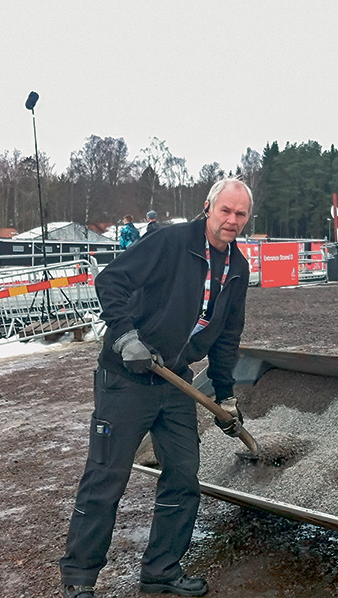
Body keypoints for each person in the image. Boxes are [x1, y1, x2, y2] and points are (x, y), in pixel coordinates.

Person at [60, 178, 252, 598]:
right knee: (106, 477)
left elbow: (226, 336)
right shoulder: (169, 242)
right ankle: (79, 579)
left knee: (183, 474)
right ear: (208, 207)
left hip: (175, 380)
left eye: (240, 214)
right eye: (226, 211)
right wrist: (126, 336)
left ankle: (162, 569)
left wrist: (226, 394)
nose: (232, 220)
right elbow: (111, 282)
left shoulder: (238, 268)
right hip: (126, 379)